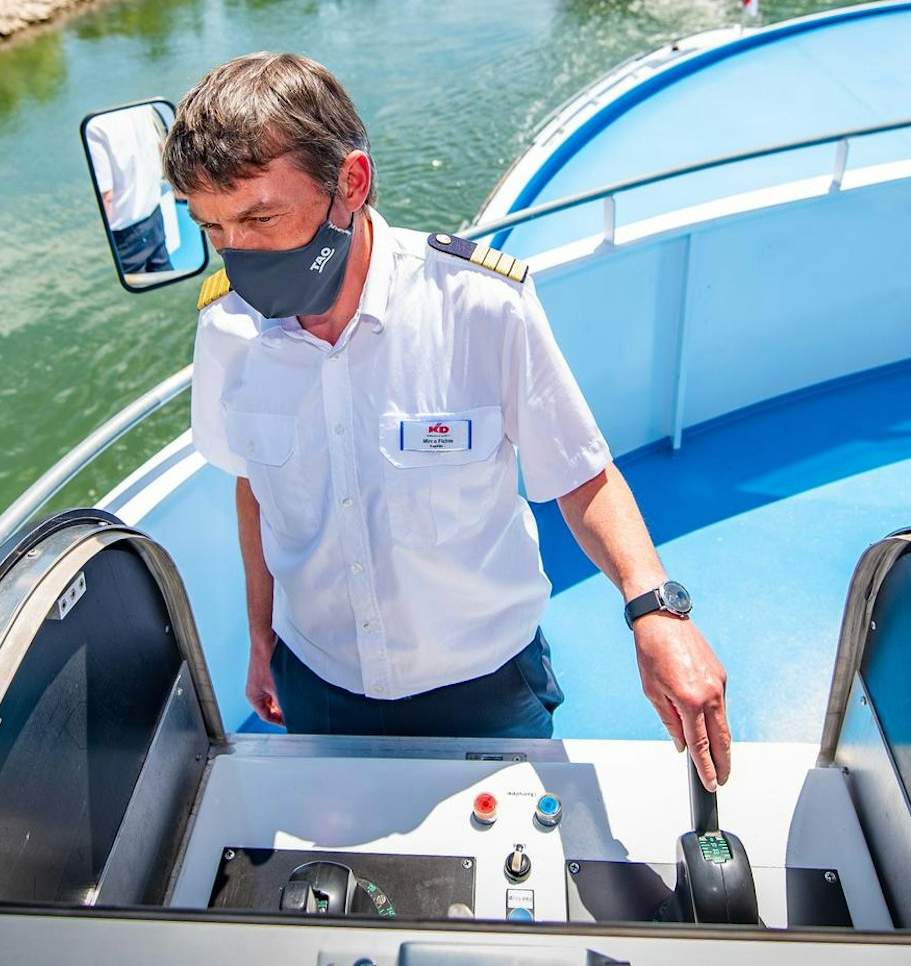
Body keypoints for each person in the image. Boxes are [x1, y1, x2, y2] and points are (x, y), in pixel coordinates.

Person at [168, 53, 733, 789]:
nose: (238, 255)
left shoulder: (480, 305)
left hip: (485, 692)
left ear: (352, 184)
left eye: (260, 219)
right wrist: (259, 638)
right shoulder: (225, 329)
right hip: (320, 683)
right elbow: (256, 487)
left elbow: (580, 473)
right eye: (214, 230)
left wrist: (656, 609)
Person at [87, 104, 174, 276]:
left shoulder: (94, 126)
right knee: (164, 270)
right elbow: (162, 148)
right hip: (154, 213)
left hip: (125, 230)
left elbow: (107, 195)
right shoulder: (141, 109)